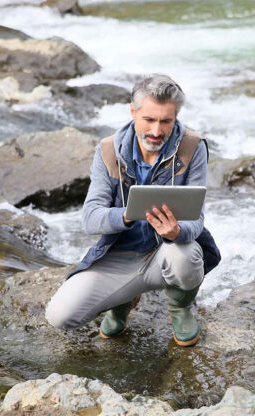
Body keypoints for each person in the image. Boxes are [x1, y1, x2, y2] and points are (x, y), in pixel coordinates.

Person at [45, 74, 220, 346]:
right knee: (59, 316)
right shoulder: (107, 150)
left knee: (184, 253)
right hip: (121, 254)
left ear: (176, 117)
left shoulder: (192, 147)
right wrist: (127, 215)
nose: (156, 131)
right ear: (133, 112)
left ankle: (180, 307)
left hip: (168, 252)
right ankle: (122, 301)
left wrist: (177, 231)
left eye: (166, 121)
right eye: (149, 120)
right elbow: (90, 219)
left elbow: (196, 220)